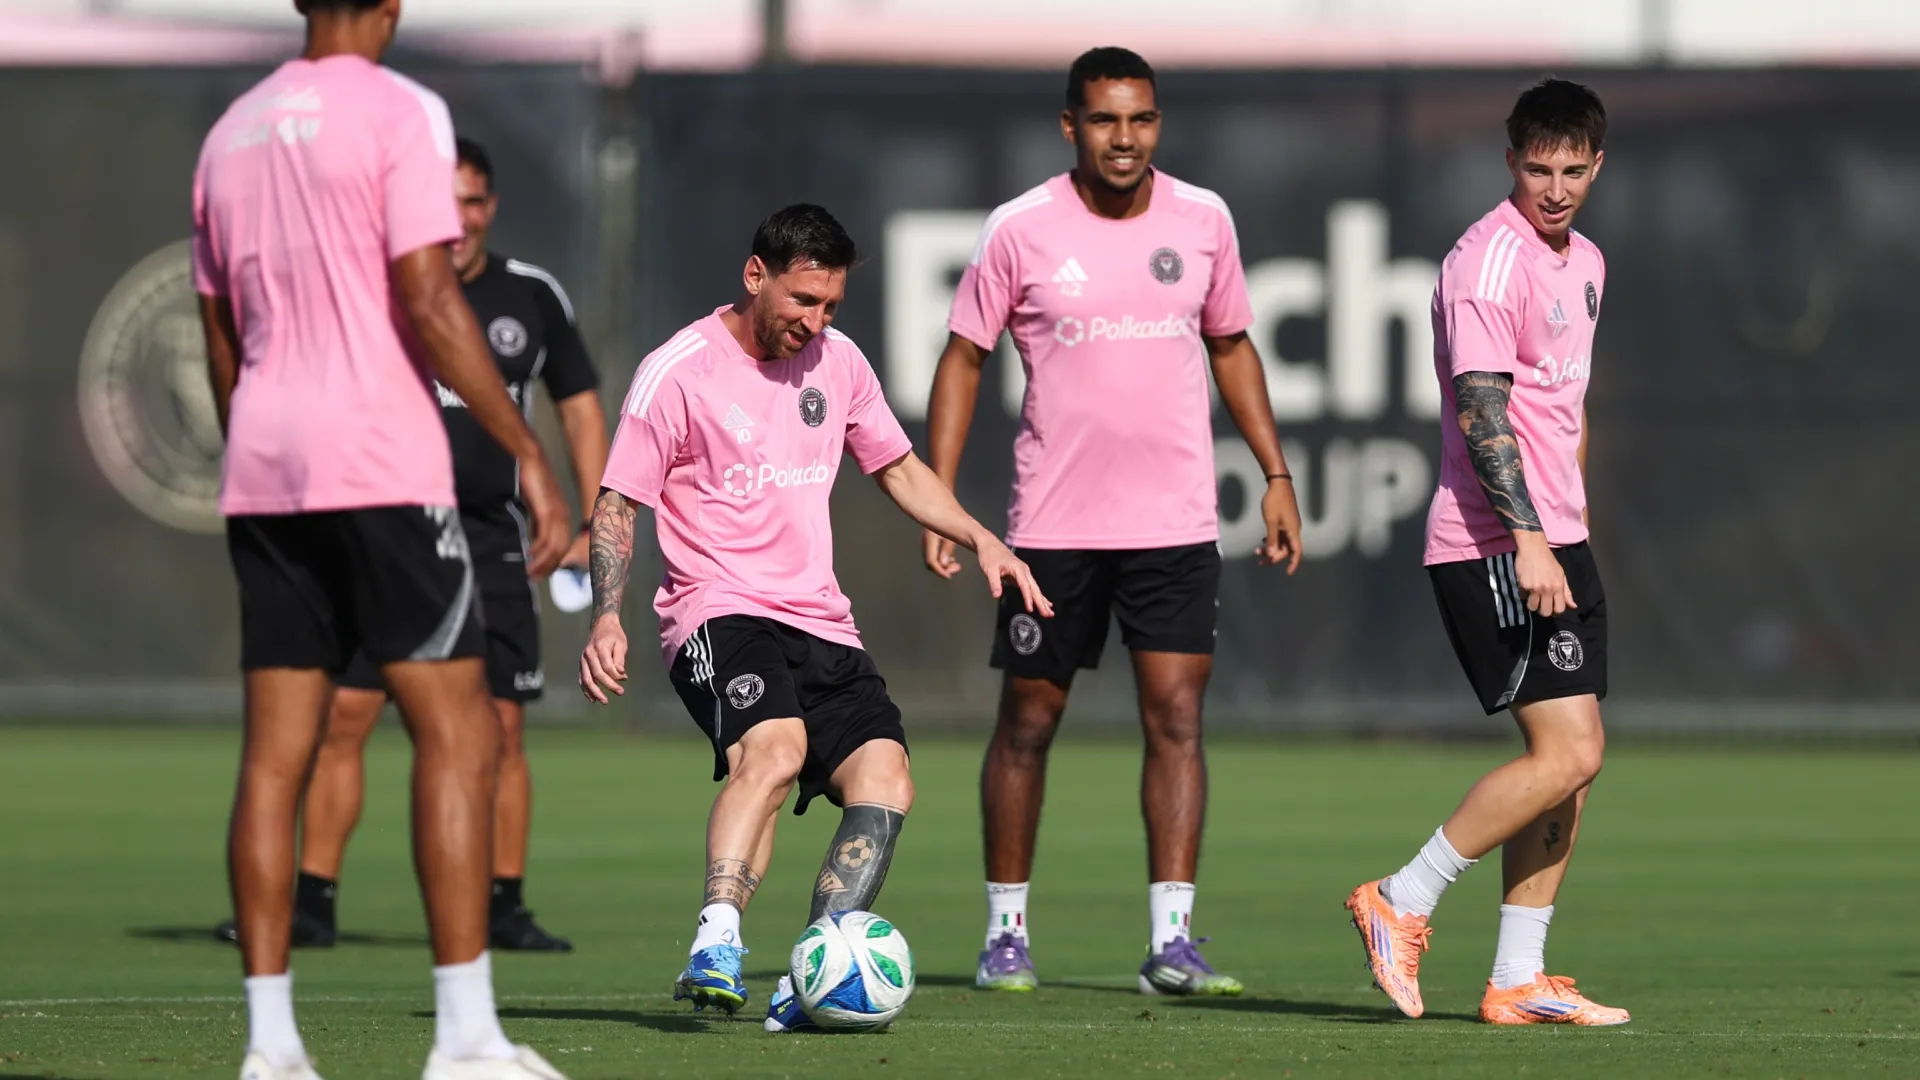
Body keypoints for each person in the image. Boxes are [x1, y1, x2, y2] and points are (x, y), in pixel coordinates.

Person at [194, 2, 571, 1077]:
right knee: (459, 732)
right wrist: (524, 450)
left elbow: (219, 330)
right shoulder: (405, 110)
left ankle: (270, 1049)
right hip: (381, 464)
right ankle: (464, 1041)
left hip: (266, 468)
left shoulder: (232, 130)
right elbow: (425, 291)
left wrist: (255, 449)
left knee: (274, 757)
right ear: (393, 6)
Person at [578, 204, 1049, 1033]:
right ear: (755, 275)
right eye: (802, 300)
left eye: (830, 305)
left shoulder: (838, 363)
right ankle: (717, 943)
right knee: (777, 747)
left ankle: (815, 967)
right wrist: (606, 616)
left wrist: (982, 539)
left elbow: (898, 470)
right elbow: (620, 503)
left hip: (821, 620)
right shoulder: (678, 370)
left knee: (887, 779)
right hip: (714, 610)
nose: (815, 321)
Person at [923, 46, 1303, 996]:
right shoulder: (1020, 228)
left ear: (1157, 123)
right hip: (1052, 528)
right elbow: (963, 359)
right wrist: (937, 494)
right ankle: (1005, 934)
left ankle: (1172, 943)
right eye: (1104, 120)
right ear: (1071, 126)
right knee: (1028, 720)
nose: (1123, 138)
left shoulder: (1205, 218)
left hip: (1173, 525)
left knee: (1176, 718)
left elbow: (1233, 345)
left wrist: (1276, 471)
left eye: (1139, 119)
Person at [213, 137, 605, 954]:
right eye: (444, 200)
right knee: (344, 715)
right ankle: (312, 901)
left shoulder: (530, 294)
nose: (458, 220)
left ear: (490, 208)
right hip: (385, 527)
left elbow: (577, 401)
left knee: (499, 726)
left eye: (473, 202)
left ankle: (503, 906)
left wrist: (593, 512)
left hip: (494, 538)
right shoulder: (381, 289)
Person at [1343, 77, 1629, 1028]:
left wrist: (1570, 524)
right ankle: (1402, 898)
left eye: (1572, 170)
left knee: (1574, 768)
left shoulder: (1584, 259)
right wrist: (1530, 538)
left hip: (1558, 537)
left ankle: (1517, 978)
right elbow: (1482, 411)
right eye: (1537, 168)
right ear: (1509, 161)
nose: (1555, 188)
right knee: (1571, 748)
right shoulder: (1488, 264)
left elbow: (1564, 406)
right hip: (1495, 544)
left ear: (1596, 164)